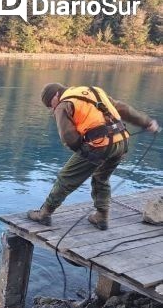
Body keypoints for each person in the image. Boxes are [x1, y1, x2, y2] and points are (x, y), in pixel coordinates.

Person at [27, 83, 159, 229]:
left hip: (99, 145)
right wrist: (146, 122)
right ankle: (102, 216)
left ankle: (44, 214)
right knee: (101, 177)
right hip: (122, 141)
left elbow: (68, 137)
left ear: (55, 95)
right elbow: (122, 108)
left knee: (66, 178)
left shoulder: (63, 104)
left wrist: (83, 152)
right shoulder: (93, 91)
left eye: (50, 105)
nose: (52, 109)